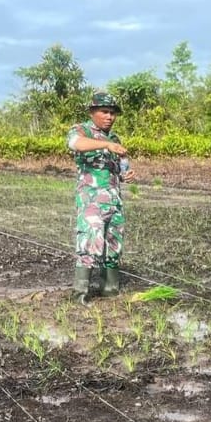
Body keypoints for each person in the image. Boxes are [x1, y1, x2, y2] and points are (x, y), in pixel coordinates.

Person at [66, 91, 134, 302]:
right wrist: (105, 145)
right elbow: (75, 144)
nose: (109, 117)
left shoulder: (115, 138)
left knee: (114, 246)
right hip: (92, 200)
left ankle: (110, 291)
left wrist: (126, 173)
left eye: (112, 113)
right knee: (89, 243)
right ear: (92, 112)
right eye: (104, 112)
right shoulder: (81, 130)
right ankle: (79, 295)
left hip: (114, 201)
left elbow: (120, 167)